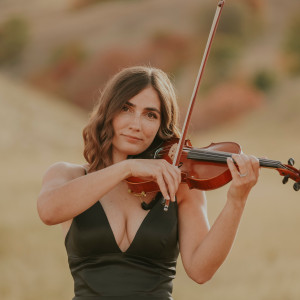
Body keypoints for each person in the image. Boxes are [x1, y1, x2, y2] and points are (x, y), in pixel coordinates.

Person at [37, 66, 260, 300]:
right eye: (126, 109)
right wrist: (126, 168)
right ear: (108, 112)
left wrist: (237, 201)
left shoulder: (178, 185)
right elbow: (48, 212)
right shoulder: (66, 175)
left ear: (161, 125)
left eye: (150, 115)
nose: (137, 124)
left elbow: (201, 271)